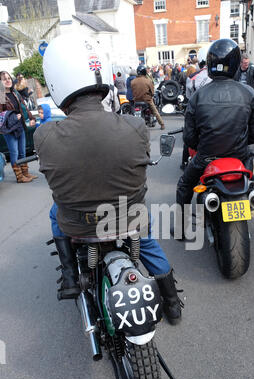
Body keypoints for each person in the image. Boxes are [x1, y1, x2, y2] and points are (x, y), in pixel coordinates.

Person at [33, 34, 182, 325]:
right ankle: (173, 303)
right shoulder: (136, 125)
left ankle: (69, 277)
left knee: (55, 212)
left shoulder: (44, 134)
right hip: (129, 218)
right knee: (149, 242)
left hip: (77, 223)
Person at [175, 39, 254, 239]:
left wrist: (204, 146)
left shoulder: (198, 96)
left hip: (207, 157)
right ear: (235, 64)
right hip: (239, 157)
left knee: (184, 185)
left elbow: (189, 137)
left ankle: (181, 230)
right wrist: (239, 142)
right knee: (251, 182)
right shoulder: (249, 92)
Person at [0, 71, 36, 183]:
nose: (8, 80)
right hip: (9, 129)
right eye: (4, 79)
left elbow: (23, 106)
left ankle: (25, 173)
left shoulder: (15, 92)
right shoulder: (1, 95)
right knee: (14, 152)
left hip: (20, 126)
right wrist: (14, 117)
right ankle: (20, 177)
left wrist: (31, 118)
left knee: (22, 151)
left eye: (9, 78)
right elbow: (1, 114)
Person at [181, 59, 212, 170]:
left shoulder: (192, 77)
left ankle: (184, 163)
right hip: (214, 113)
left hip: (197, 112)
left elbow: (188, 97)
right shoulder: (218, 77)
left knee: (189, 137)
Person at [131, 64, 165, 130]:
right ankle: (162, 124)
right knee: (155, 112)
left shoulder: (133, 81)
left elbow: (133, 91)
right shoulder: (148, 81)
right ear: (144, 72)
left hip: (136, 100)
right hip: (147, 100)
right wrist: (151, 95)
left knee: (133, 112)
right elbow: (152, 92)